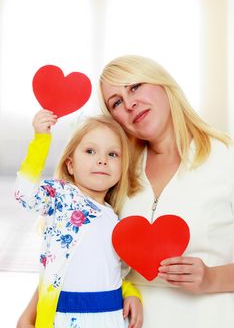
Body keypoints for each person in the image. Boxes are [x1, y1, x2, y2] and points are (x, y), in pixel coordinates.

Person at [17, 55, 234, 327]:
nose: (130, 103)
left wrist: (211, 278)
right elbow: (75, 247)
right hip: (121, 319)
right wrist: (30, 316)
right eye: (117, 102)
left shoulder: (232, 157)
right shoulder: (117, 168)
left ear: (163, 84)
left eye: (135, 87)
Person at [14, 109, 143, 328]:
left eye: (112, 154)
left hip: (109, 317)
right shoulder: (60, 195)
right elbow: (23, 194)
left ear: (123, 167)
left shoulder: (115, 218)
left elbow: (115, 270)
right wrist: (41, 140)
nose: (102, 160)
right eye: (90, 151)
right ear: (70, 164)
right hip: (63, 316)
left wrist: (131, 293)